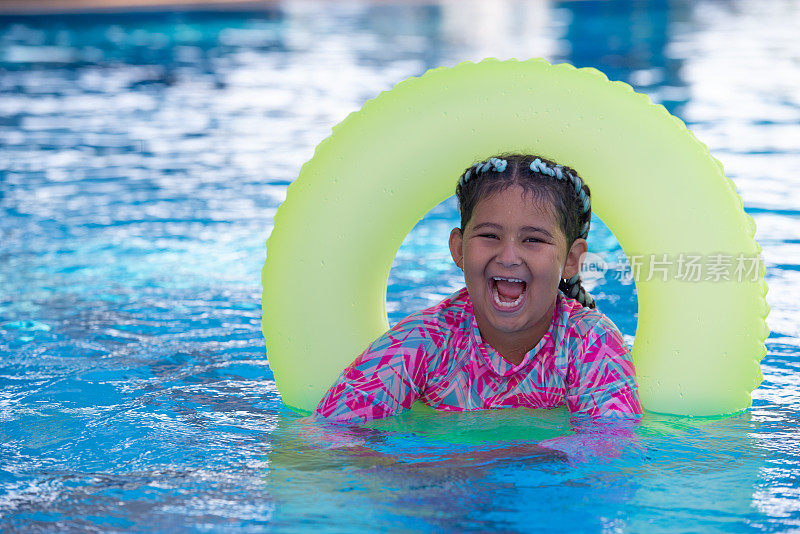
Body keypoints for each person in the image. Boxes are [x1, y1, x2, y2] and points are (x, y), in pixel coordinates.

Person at [314, 154, 642, 423]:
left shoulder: (589, 343)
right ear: (458, 248)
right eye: (489, 236)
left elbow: (609, 456)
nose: (509, 256)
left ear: (571, 259)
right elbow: (329, 438)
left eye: (533, 240)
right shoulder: (426, 342)